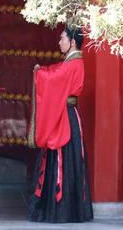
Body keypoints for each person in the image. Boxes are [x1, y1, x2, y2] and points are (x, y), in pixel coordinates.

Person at [28, 27, 93, 223]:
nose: (59, 42)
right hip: (65, 115)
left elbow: (56, 78)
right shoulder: (71, 61)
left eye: (62, 38)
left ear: (72, 42)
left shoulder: (74, 63)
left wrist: (40, 73)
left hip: (66, 117)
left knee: (63, 163)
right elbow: (57, 71)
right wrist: (44, 70)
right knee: (63, 161)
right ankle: (64, 210)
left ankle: (63, 211)